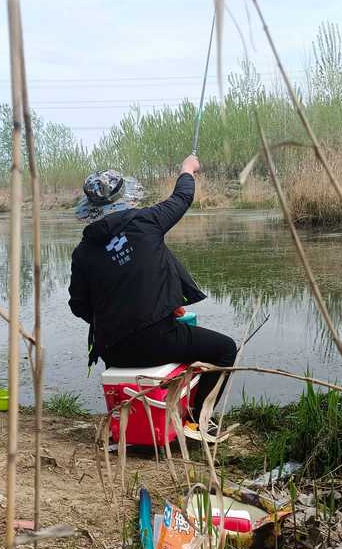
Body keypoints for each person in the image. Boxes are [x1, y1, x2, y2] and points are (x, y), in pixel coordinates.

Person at [68, 155, 237, 439]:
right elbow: (182, 196)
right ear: (126, 197)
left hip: (113, 350)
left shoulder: (83, 252)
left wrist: (116, 316)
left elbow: (78, 306)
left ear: (91, 210)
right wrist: (186, 169)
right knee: (225, 349)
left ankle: (144, 420)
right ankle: (196, 421)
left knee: (183, 336)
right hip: (158, 341)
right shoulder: (147, 221)